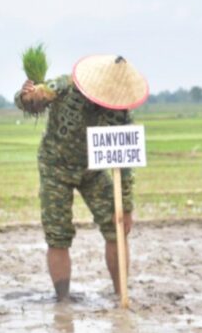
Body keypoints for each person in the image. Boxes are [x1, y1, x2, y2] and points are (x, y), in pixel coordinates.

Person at [15, 55, 148, 302]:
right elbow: (32, 101)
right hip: (56, 167)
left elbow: (125, 163)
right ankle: (63, 299)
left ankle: (121, 294)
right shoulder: (64, 86)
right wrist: (28, 97)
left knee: (117, 227)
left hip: (93, 172)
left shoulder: (119, 113)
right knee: (58, 234)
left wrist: (126, 207)